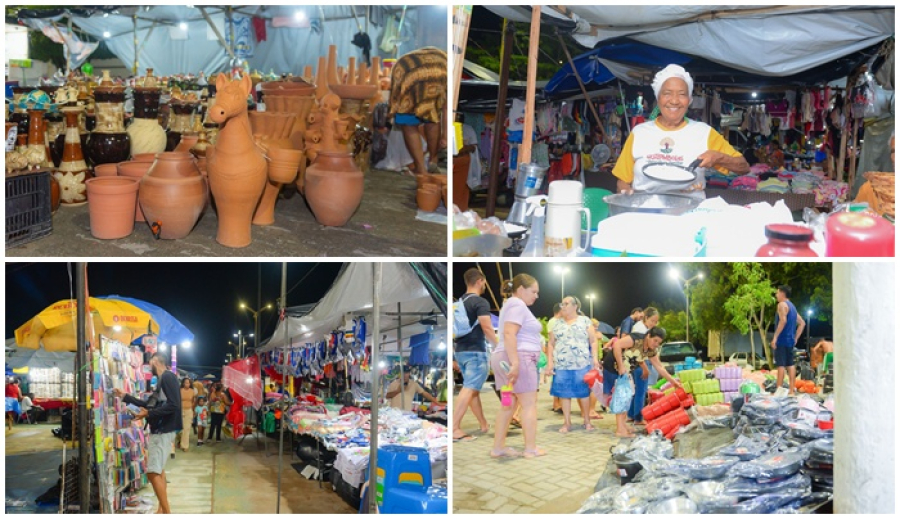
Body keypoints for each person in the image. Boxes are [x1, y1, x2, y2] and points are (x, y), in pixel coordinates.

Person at [612, 64, 749, 199]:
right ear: (658, 98)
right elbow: (622, 181)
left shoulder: (704, 132)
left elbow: (743, 167)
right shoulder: (639, 133)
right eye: (667, 93)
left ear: (689, 100)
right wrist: (626, 194)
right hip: (646, 211)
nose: (674, 101)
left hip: (691, 214)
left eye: (682, 94)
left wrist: (718, 157)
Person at [114, 352, 181, 514]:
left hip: (163, 430)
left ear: (155, 361)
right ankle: (161, 509)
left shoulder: (167, 377)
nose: (148, 364)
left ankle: (167, 512)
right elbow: (148, 403)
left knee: (152, 473)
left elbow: (174, 405)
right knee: (159, 470)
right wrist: (125, 397)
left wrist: (148, 414)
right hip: (162, 429)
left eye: (150, 361)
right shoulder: (162, 380)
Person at [490, 274, 544, 459]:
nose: (536, 296)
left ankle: (498, 448)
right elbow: (510, 333)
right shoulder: (517, 304)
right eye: (534, 291)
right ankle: (530, 449)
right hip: (517, 361)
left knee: (508, 404)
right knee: (529, 404)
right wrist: (515, 363)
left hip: (505, 361)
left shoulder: (509, 305)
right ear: (521, 289)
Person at [604, 327, 682, 438]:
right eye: (655, 340)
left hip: (626, 370)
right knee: (622, 396)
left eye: (658, 343)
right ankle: (620, 430)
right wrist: (621, 366)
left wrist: (674, 383)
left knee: (628, 395)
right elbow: (617, 345)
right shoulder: (635, 338)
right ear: (648, 335)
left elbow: (660, 367)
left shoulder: (651, 351)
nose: (656, 344)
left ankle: (622, 425)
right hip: (613, 367)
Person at [452, 268, 499, 442]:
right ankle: (455, 427)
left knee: (473, 389)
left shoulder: (459, 303)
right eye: (484, 282)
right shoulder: (480, 302)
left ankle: (483, 424)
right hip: (476, 351)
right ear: (480, 281)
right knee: (470, 388)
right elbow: (487, 327)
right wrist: (497, 346)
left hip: (461, 351)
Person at [389, 47, 447, 175]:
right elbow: (445, 108)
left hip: (404, 67)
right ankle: (432, 160)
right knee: (432, 117)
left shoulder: (439, 56)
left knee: (408, 122)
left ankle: (421, 168)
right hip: (432, 73)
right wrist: (445, 136)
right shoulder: (447, 65)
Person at [546, 296, 600, 433]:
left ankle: (587, 421)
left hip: (581, 363)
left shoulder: (585, 321)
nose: (562, 306)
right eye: (561, 304)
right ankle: (567, 422)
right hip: (562, 364)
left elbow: (593, 341)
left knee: (584, 393)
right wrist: (550, 363)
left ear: (575, 306)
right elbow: (551, 344)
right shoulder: (557, 324)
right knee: (564, 394)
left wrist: (595, 359)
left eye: (566, 304)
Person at [771, 285, 805, 395]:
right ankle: (791, 390)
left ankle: (779, 390)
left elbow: (783, 321)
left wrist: (775, 337)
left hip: (781, 340)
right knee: (790, 365)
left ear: (782, 293)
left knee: (780, 365)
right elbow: (802, 323)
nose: (776, 295)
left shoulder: (781, 305)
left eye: (777, 293)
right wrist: (795, 338)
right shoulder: (793, 308)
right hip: (790, 341)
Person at [629, 307, 660, 425]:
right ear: (646, 318)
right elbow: (638, 352)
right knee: (641, 391)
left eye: (656, 322)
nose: (654, 324)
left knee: (636, 390)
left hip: (635, 363)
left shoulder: (640, 327)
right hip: (640, 363)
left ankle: (631, 415)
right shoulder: (641, 330)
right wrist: (645, 368)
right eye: (652, 320)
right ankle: (638, 418)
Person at [546, 303, 563, 413]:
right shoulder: (554, 321)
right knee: (558, 379)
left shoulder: (556, 321)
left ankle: (558, 403)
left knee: (558, 379)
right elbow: (552, 340)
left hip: (558, 353)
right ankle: (556, 403)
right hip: (557, 353)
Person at [178, 378, 195, 452]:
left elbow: (194, 401)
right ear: (183, 383)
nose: (187, 384)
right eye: (186, 383)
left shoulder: (192, 391)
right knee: (179, 429)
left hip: (189, 410)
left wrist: (193, 410)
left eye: (188, 383)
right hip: (180, 411)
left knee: (187, 429)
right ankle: (180, 442)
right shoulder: (180, 390)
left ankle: (185, 446)